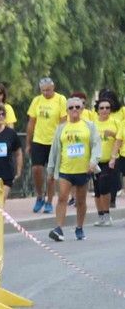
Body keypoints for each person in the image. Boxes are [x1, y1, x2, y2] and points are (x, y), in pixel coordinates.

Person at [46, 96, 101, 242]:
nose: (74, 110)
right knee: (62, 198)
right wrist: (51, 171)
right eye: (71, 107)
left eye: (77, 107)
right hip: (65, 169)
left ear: (82, 109)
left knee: (81, 201)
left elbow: (96, 145)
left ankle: (79, 227)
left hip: (84, 170)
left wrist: (93, 161)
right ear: (67, 111)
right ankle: (58, 229)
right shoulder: (61, 128)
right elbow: (55, 150)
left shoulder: (89, 126)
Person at [26, 77, 65, 214]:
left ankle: (49, 201)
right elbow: (31, 122)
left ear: (53, 88)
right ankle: (39, 196)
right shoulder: (37, 101)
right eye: (43, 90)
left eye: (48, 90)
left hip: (54, 141)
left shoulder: (60, 100)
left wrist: (61, 141)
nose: (46, 93)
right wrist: (28, 142)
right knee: (36, 169)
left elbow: (63, 122)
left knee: (50, 173)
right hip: (39, 140)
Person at [91, 96, 121, 226]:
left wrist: (113, 135)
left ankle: (107, 214)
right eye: (101, 108)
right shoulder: (92, 124)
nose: (104, 110)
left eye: (107, 108)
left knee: (104, 186)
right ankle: (101, 216)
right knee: (97, 189)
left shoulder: (115, 122)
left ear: (111, 109)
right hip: (95, 160)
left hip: (109, 160)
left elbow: (121, 138)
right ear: (97, 110)